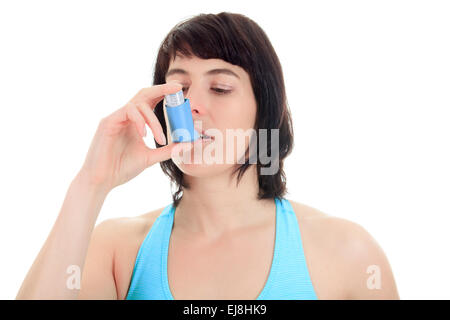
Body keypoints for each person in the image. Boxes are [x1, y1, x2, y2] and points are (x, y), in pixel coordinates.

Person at [16, 12, 399, 300]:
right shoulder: (117, 250)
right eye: (178, 88)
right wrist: (91, 183)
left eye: (219, 87)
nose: (191, 104)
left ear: (265, 110)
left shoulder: (348, 251)